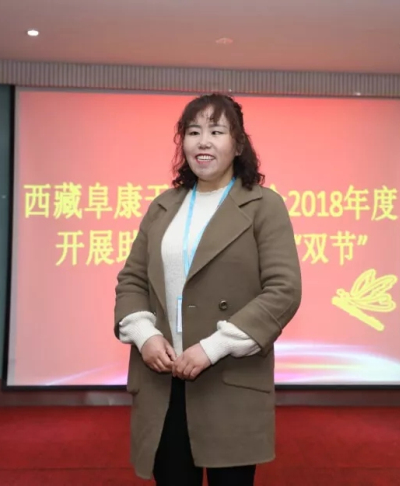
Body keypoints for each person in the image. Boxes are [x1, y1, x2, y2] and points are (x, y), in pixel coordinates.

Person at [113, 93, 302, 486]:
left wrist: (213, 348)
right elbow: (132, 280)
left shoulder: (264, 206)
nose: (203, 142)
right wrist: (145, 336)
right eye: (193, 132)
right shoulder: (163, 206)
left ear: (238, 144)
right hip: (162, 379)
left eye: (216, 132)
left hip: (227, 376)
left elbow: (283, 290)